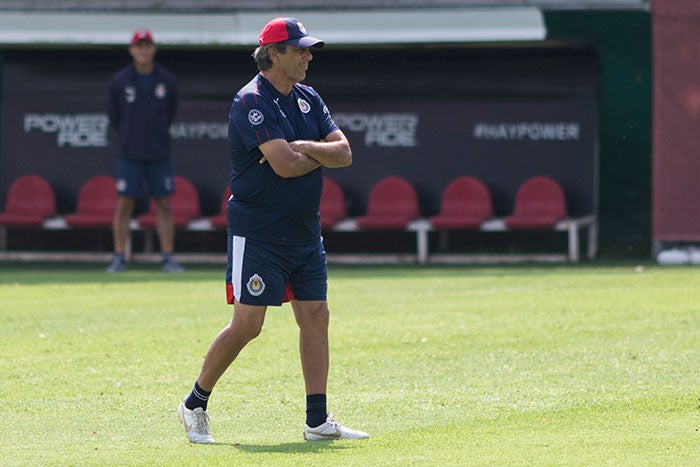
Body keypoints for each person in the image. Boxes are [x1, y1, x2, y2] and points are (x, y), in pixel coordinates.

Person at [177, 17, 368, 443]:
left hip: (304, 231)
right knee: (248, 325)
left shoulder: (308, 98)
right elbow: (283, 167)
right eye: (299, 49)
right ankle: (194, 404)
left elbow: (346, 153)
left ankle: (317, 421)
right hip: (258, 232)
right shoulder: (250, 100)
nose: (307, 56)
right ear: (274, 54)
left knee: (316, 317)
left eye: (308, 49)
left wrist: (304, 147)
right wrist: (316, 153)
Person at [105, 29, 184, 273]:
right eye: (139, 46)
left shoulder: (167, 81)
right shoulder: (119, 82)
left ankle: (168, 257)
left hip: (158, 153)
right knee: (124, 204)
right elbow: (114, 118)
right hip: (130, 154)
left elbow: (169, 114)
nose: (143, 50)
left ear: (153, 49)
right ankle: (120, 257)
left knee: (163, 204)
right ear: (132, 50)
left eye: (147, 46)